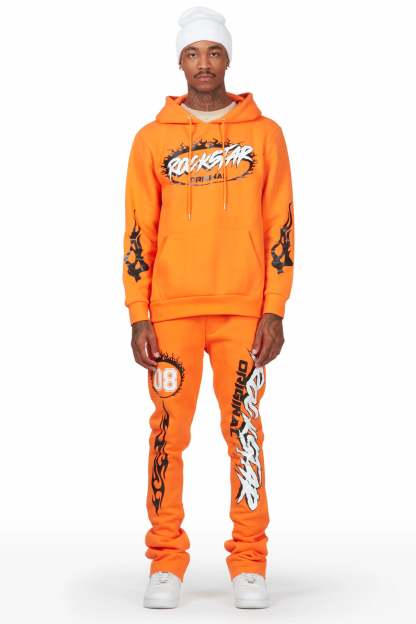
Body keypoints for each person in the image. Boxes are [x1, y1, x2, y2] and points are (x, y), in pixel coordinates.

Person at [122, 5, 295, 610]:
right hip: (170, 311)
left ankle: (249, 561)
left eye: (214, 53)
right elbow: (138, 230)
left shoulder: (265, 135)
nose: (204, 63)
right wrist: (138, 314)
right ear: (179, 62)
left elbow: (280, 224)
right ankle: (165, 561)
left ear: (228, 59)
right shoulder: (152, 140)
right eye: (193, 53)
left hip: (243, 310)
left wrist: (274, 307)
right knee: (167, 434)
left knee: (243, 431)